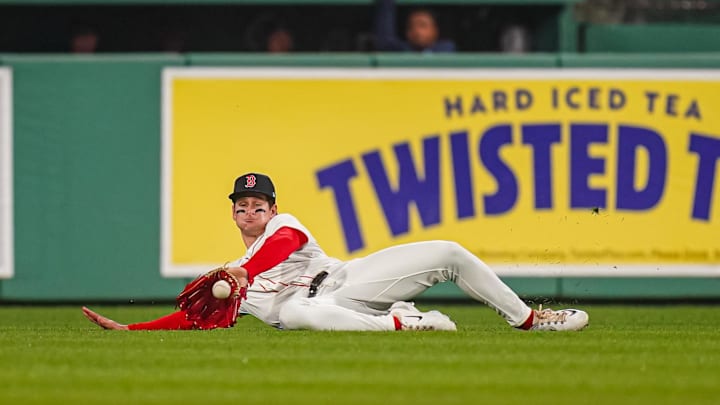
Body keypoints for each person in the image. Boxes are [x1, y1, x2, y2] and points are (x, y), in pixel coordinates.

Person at [83, 173, 589, 332]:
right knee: (297, 311)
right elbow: (196, 316)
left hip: (352, 281)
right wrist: (133, 329)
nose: (250, 210)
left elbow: (283, 245)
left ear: (271, 207)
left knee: (449, 250)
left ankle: (528, 319)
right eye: (242, 204)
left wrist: (242, 269)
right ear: (234, 213)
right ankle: (404, 322)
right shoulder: (238, 283)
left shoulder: (282, 227)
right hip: (327, 311)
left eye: (257, 203)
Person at [374, 0, 455, 53]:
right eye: (411, 26)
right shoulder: (402, 50)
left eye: (422, 25)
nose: (417, 31)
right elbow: (385, 41)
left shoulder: (445, 49)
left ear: (435, 31)